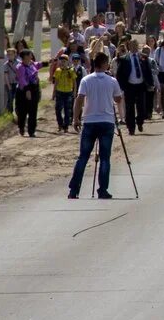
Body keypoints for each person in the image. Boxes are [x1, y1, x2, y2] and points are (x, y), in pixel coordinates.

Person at [67, 52, 125, 200]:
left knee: (83, 157)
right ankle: (103, 189)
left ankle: (74, 189)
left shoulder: (86, 80)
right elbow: (118, 99)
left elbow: (79, 99)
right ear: (104, 64)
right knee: (105, 157)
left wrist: (75, 118)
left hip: (90, 121)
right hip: (106, 121)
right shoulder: (111, 81)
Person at [115, 40, 148, 134]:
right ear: (129, 46)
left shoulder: (143, 57)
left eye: (135, 45)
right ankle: (131, 128)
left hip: (141, 85)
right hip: (129, 86)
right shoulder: (124, 58)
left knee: (141, 106)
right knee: (130, 108)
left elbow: (147, 71)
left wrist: (150, 83)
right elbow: (119, 74)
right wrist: (122, 86)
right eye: (132, 45)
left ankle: (140, 122)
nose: (134, 47)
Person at [14, 49, 41, 136]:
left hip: (34, 89)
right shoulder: (20, 67)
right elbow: (22, 80)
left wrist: (50, 61)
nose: (31, 55)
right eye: (30, 54)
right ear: (25, 56)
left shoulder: (32, 63)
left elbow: (38, 65)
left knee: (33, 111)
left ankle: (31, 131)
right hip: (23, 90)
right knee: (22, 111)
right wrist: (27, 90)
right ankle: (21, 127)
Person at [50, 53, 77, 133]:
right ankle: (60, 124)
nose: (62, 63)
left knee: (67, 109)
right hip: (60, 92)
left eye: (64, 61)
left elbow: (74, 82)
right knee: (58, 109)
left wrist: (74, 92)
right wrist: (53, 93)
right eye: (61, 61)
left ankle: (66, 126)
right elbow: (56, 82)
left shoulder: (71, 70)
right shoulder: (58, 71)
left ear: (67, 62)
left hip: (68, 92)